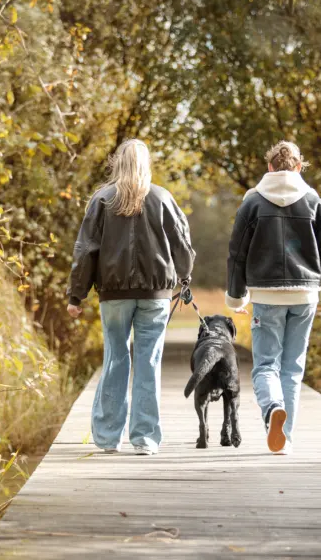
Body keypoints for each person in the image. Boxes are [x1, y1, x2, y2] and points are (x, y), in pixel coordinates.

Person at [67, 139, 195, 455]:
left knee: (116, 359)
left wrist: (76, 295)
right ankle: (145, 439)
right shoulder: (163, 198)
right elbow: (183, 245)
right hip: (155, 296)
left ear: (118, 163)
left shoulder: (101, 200)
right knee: (148, 363)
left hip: (113, 296)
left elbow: (85, 252)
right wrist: (184, 275)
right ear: (146, 164)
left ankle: (109, 438)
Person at [225, 141, 321, 455]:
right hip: (305, 295)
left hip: (266, 296)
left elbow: (236, 255)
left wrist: (236, 296)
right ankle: (286, 440)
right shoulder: (315, 203)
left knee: (266, 365)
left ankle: (272, 411)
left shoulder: (252, 203)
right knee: (293, 369)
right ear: (298, 167)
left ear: (270, 168)